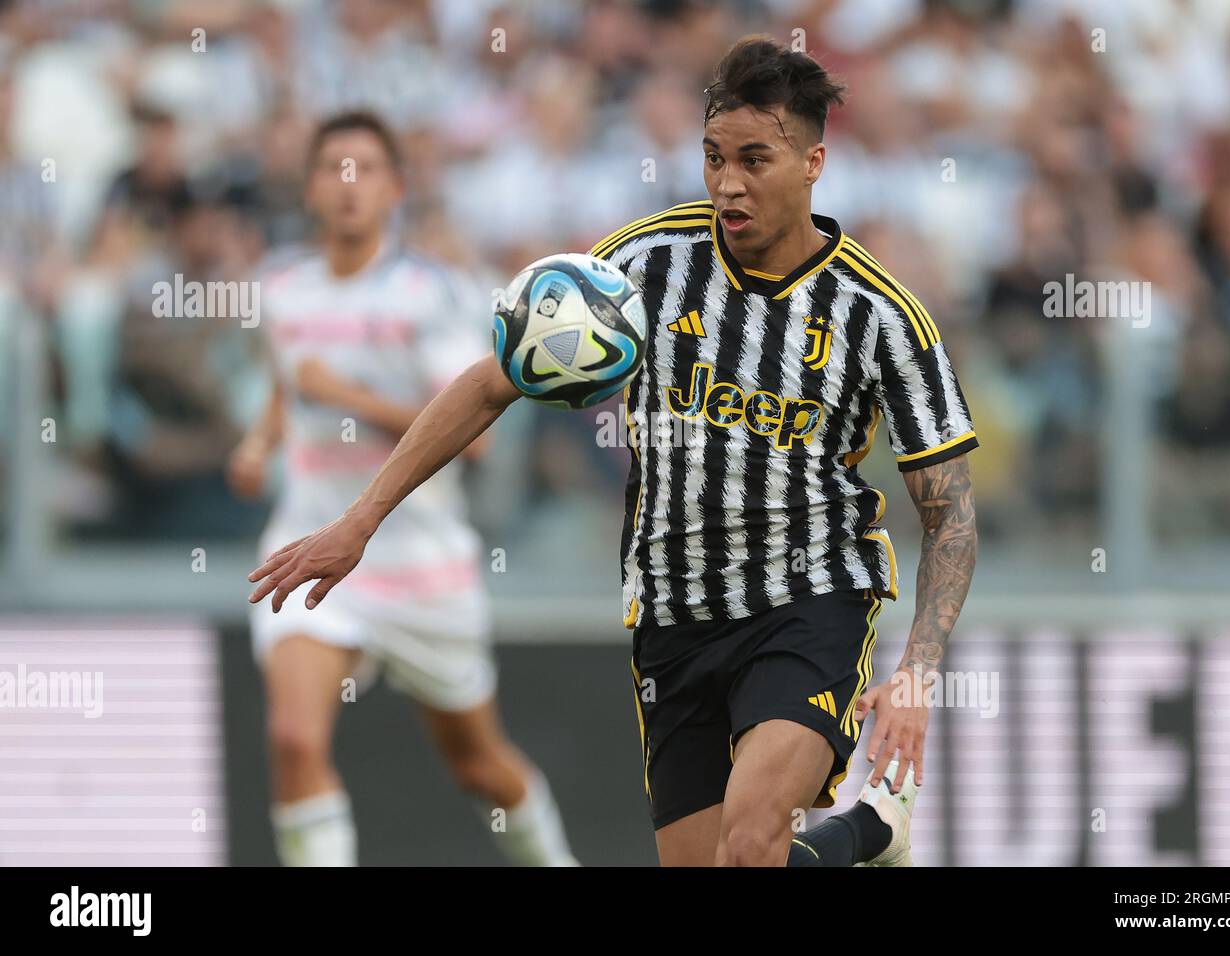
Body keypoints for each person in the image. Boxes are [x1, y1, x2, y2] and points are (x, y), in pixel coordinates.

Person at [250, 39, 978, 867]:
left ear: (814, 162)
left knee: (750, 843)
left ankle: (860, 828)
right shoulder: (643, 265)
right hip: (673, 616)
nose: (727, 183)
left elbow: (950, 515)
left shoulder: (880, 314)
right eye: (712, 157)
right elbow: (492, 384)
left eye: (753, 159)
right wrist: (361, 519)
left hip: (809, 601)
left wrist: (917, 671)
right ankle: (868, 832)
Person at [231, 111, 576, 867]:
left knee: (480, 767)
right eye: (333, 169)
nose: (349, 186)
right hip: (310, 544)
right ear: (311, 187)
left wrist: (347, 394)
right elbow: (286, 388)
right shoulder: (284, 287)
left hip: (419, 563)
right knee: (293, 738)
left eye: (366, 170)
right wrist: (258, 445)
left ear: (396, 188)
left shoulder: (432, 293)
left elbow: (475, 430)